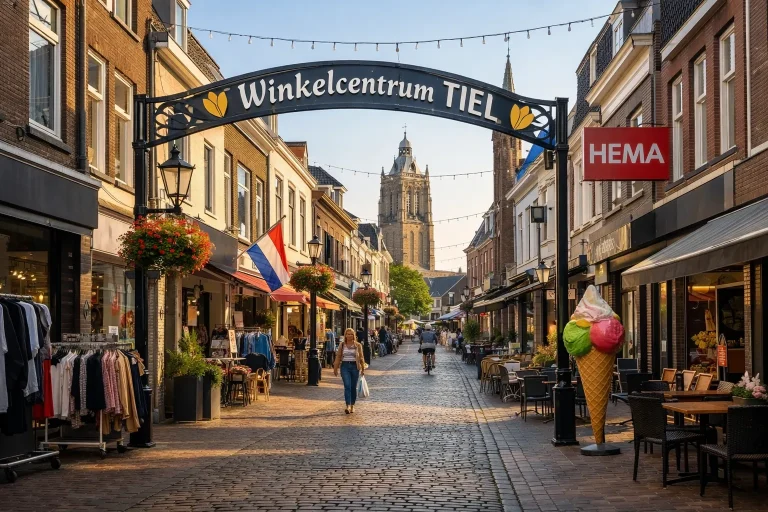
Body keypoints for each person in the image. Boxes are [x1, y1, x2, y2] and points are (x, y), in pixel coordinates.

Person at [334, 327, 365, 414]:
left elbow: (361, 357)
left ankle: (352, 405)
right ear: (345, 335)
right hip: (345, 366)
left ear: (354, 335)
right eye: (348, 334)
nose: (349, 335)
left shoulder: (358, 345)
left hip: (355, 367)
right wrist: (335, 368)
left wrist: (362, 368)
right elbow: (338, 356)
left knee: (353, 387)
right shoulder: (342, 345)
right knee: (347, 386)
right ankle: (347, 405)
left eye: (351, 334)